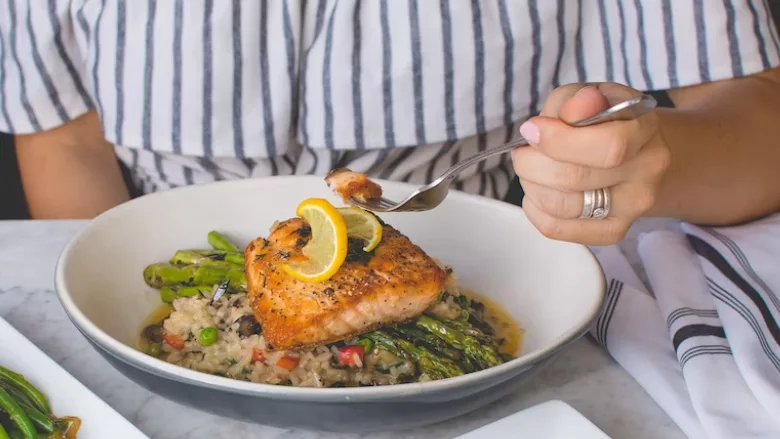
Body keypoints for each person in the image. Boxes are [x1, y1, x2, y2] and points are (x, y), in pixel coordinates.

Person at [2, 1, 780, 246]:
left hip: (480, 270)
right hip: (169, 281)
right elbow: (64, 137)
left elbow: (760, 114)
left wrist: (644, 162)